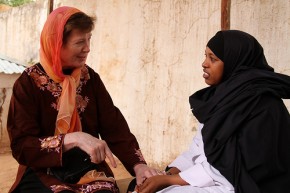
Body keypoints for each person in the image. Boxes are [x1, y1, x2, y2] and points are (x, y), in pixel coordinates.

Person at [7, 6, 160, 193]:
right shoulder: (29, 83)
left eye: (89, 39)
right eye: (80, 42)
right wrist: (73, 139)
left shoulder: (89, 78)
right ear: (57, 44)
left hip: (86, 168)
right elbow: (22, 145)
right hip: (42, 170)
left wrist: (138, 165)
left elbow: (114, 126)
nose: (87, 49)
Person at [130, 30, 290, 193]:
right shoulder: (222, 97)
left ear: (234, 63)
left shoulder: (262, 105)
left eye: (213, 59)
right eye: (205, 56)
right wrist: (167, 173)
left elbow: (232, 167)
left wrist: (169, 180)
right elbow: (198, 148)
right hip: (212, 180)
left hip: (241, 185)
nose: (204, 63)